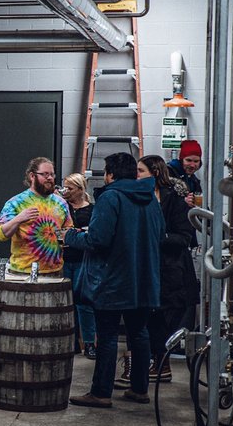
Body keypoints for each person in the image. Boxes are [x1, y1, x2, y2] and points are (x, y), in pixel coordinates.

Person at [62, 153, 163, 408]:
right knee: (139, 333)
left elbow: (98, 240)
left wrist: (71, 236)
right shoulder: (150, 198)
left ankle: (101, 392)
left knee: (106, 336)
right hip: (143, 279)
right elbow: (160, 233)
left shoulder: (110, 197)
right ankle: (140, 389)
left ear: (110, 174)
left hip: (112, 280)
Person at [137, 155, 198, 383]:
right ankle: (156, 363)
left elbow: (184, 237)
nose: (137, 175)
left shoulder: (175, 199)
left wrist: (155, 237)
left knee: (163, 317)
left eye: (140, 171)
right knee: (150, 316)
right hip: (151, 266)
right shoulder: (142, 197)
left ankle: (162, 364)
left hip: (172, 269)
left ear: (154, 173)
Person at [0, 156, 72, 275]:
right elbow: (1, 234)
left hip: (55, 272)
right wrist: (19, 219)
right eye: (45, 174)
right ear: (32, 176)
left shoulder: (61, 203)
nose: (50, 178)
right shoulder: (16, 202)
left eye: (52, 174)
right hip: (22, 273)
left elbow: (68, 231)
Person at [60, 172, 97, 359]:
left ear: (80, 190)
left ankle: (89, 343)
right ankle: (71, 341)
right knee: (67, 303)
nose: (65, 191)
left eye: (70, 188)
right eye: (64, 187)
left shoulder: (91, 210)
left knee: (84, 302)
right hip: (64, 258)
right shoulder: (62, 207)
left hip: (83, 259)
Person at [168, 139, 203, 208]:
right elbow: (163, 200)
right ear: (181, 160)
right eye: (188, 160)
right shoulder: (168, 174)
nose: (192, 165)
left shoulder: (194, 181)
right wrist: (183, 202)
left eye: (196, 161)